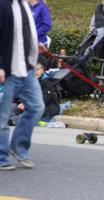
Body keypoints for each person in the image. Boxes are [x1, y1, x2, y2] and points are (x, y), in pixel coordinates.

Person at [0, 0, 45, 171]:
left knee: (37, 108)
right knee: (2, 117)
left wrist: (35, 47)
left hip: (27, 69)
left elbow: (24, 33)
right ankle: (1, 156)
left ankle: (17, 146)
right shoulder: (4, 4)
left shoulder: (24, 5)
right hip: (9, 70)